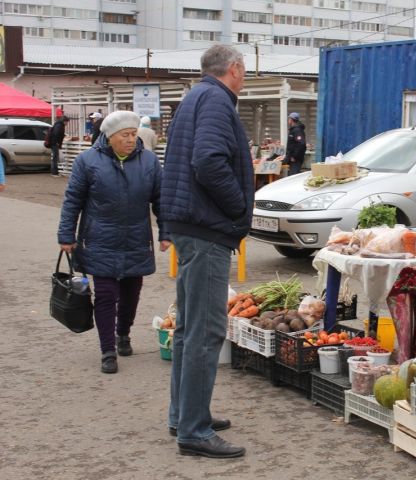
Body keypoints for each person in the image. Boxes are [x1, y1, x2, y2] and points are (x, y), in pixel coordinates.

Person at [160, 45, 254, 459]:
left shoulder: (195, 96)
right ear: (234, 69)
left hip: (191, 226)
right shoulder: (216, 100)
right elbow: (208, 162)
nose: (244, 76)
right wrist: (238, 208)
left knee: (187, 329)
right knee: (205, 331)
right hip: (207, 229)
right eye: (244, 69)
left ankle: (185, 415)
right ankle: (194, 431)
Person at [57, 110, 170, 374]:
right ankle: (107, 350)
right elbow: (73, 200)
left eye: (134, 134)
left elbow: (161, 200)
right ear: (110, 137)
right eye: (125, 135)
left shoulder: (149, 162)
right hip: (100, 239)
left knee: (131, 294)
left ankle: (123, 334)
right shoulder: (87, 161)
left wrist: (166, 232)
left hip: (136, 239)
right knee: (106, 295)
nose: (131, 139)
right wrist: (66, 235)